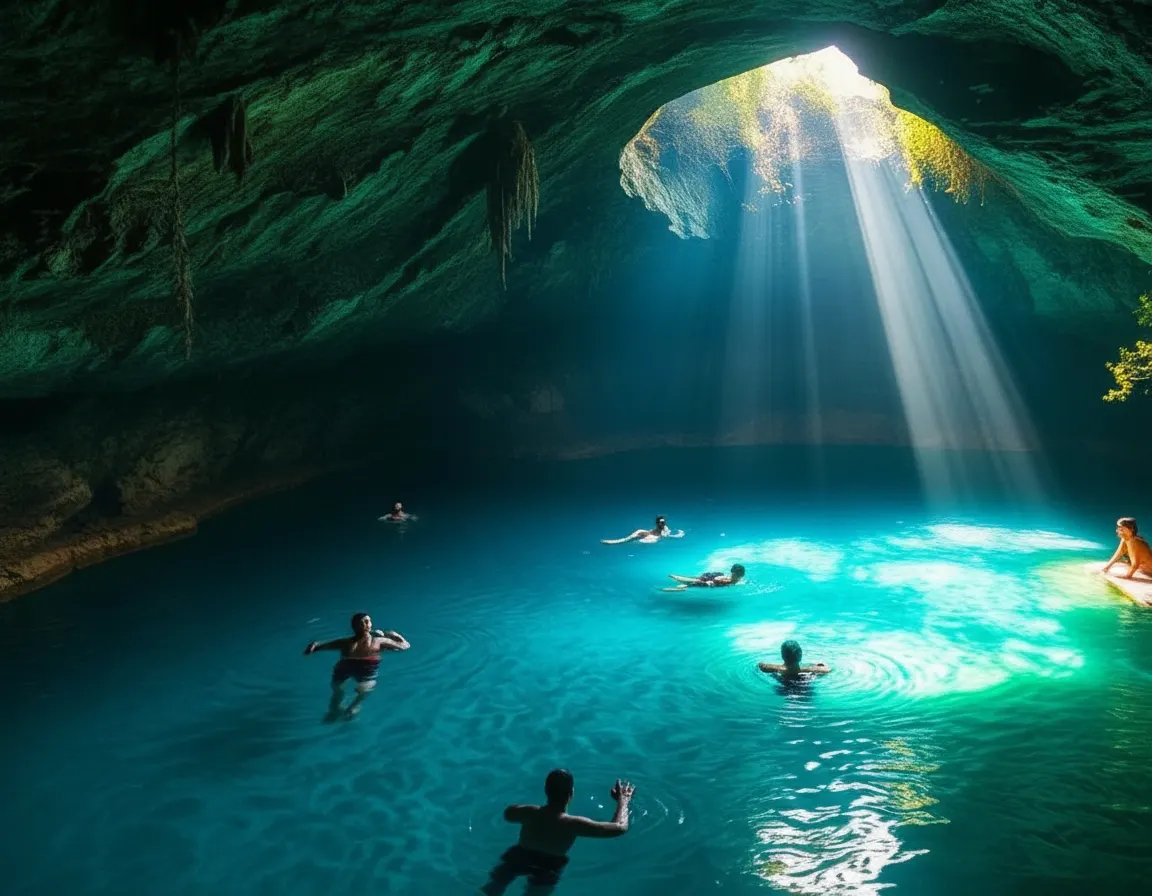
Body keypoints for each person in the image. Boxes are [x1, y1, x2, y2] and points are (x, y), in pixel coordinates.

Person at [483, 769, 634, 896]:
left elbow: (507, 814)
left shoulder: (529, 813)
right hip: (548, 867)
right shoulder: (573, 824)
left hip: (518, 855)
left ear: (545, 791)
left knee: (491, 890)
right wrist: (623, 801)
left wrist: (527, 809)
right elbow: (620, 827)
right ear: (571, 794)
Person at [303, 613, 410, 720]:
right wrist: (396, 636)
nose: (367, 624)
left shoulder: (359, 642)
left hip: (354, 668)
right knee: (351, 687)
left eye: (368, 621)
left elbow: (405, 646)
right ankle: (343, 708)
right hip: (356, 668)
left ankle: (345, 708)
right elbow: (405, 646)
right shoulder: (362, 641)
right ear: (355, 626)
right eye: (364, 622)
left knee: (351, 689)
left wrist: (313, 646)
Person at [758, 639, 830, 680]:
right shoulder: (810, 669)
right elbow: (827, 669)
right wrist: (820, 665)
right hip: (805, 688)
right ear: (800, 656)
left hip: (784, 688)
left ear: (782, 656)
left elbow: (761, 666)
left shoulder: (773, 668)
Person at [601, 515, 684, 545]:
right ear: (657, 523)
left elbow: (669, 536)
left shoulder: (665, 529)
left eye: (663, 522)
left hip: (654, 539)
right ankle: (614, 542)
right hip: (650, 535)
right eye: (661, 522)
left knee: (649, 539)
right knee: (637, 533)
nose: (662, 524)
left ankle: (616, 543)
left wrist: (679, 535)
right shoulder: (659, 530)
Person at [663, 563, 746, 591]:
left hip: (713, 580)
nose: (733, 575)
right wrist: (722, 580)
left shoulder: (738, 580)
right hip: (712, 581)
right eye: (733, 573)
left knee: (700, 581)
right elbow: (717, 579)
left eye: (735, 574)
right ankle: (684, 585)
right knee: (702, 582)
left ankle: (685, 583)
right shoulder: (732, 580)